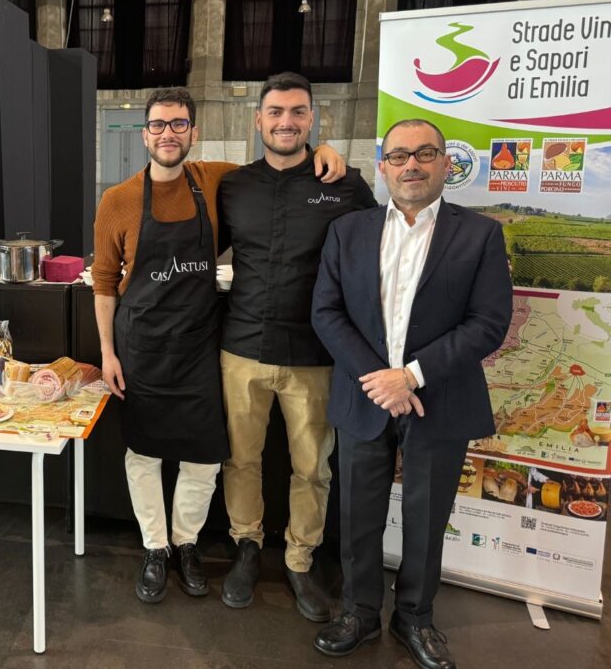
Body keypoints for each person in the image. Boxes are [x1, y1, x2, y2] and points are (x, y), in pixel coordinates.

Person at [93, 87, 346, 604]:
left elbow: (279, 162)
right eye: (159, 124)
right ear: (145, 134)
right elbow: (102, 281)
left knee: (206, 456)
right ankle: (155, 548)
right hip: (140, 345)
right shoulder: (116, 200)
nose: (169, 133)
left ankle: (187, 543)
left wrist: (323, 151)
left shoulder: (214, 179)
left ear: (193, 132)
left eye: (179, 124)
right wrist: (107, 354)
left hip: (197, 347)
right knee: (142, 454)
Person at [310, 119, 513, 669]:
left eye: (425, 154)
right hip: (365, 396)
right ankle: (357, 610)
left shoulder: (479, 235)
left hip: (439, 397)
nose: (411, 165)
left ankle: (415, 619)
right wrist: (381, 380)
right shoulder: (348, 232)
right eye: (399, 156)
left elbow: (489, 322)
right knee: (358, 513)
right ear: (383, 167)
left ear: (446, 163)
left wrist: (413, 376)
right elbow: (326, 312)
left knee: (427, 517)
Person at [217, 72, 376, 618]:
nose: (287, 122)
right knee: (242, 459)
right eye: (276, 112)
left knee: (312, 466)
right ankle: (246, 545)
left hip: (315, 352)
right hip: (240, 345)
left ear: (313, 120)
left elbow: (374, 258)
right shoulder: (234, 185)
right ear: (258, 119)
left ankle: (300, 560)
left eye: (298, 112)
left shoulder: (345, 184)